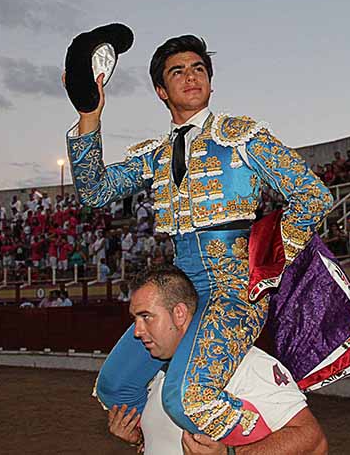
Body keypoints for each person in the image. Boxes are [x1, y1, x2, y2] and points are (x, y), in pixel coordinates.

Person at [65, 34, 333, 442]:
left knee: (188, 398)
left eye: (199, 68)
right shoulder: (154, 154)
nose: (191, 76)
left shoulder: (242, 136)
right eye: (178, 71)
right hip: (179, 292)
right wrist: (89, 114)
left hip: (234, 290)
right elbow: (95, 192)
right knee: (116, 386)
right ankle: (155, 446)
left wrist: (269, 259)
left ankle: (250, 450)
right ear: (160, 90)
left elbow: (313, 196)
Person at [106, 266, 328, 454]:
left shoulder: (247, 363)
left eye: (146, 317)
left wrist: (231, 453)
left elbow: (314, 441)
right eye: (135, 319)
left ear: (179, 314)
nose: (137, 331)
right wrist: (139, 438)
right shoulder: (158, 371)